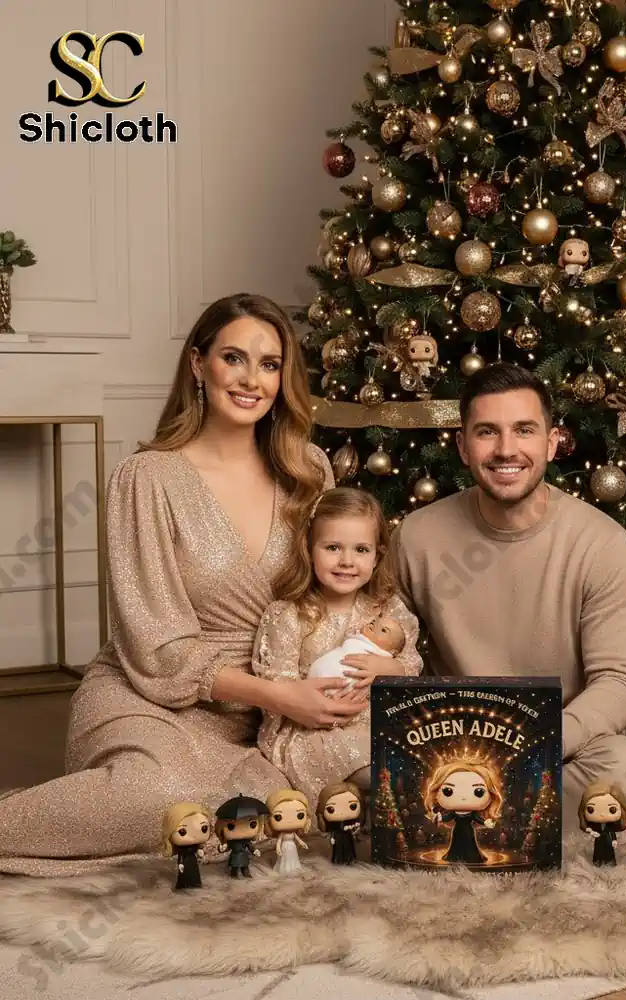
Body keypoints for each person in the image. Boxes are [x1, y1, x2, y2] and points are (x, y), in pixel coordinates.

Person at [0, 293, 365, 876]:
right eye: (233, 358)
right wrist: (277, 694)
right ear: (198, 364)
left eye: (270, 365)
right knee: (165, 799)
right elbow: (155, 647)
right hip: (154, 697)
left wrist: (370, 659)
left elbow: (337, 592)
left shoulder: (309, 470)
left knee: (289, 806)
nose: (251, 380)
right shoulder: (147, 477)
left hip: (270, 711)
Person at [386, 363, 626, 825]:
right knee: (360, 763)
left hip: (556, 746)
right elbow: (385, 648)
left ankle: (461, 818)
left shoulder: (602, 543)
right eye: (487, 432)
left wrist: (548, 737)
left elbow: (619, 681)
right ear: (463, 446)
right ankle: (500, 817)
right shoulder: (416, 536)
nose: (506, 449)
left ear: (551, 443)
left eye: (524, 430)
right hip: (448, 747)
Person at [251, 486, 423, 804]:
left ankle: (390, 796)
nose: (346, 561)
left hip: (376, 719)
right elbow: (275, 681)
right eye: (332, 547)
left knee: (421, 746)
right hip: (313, 727)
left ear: (377, 557)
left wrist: (393, 668)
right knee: (351, 755)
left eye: (361, 550)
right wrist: (311, 703)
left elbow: (412, 664)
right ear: (309, 549)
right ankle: (367, 791)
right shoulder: (289, 614)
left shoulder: (387, 610)